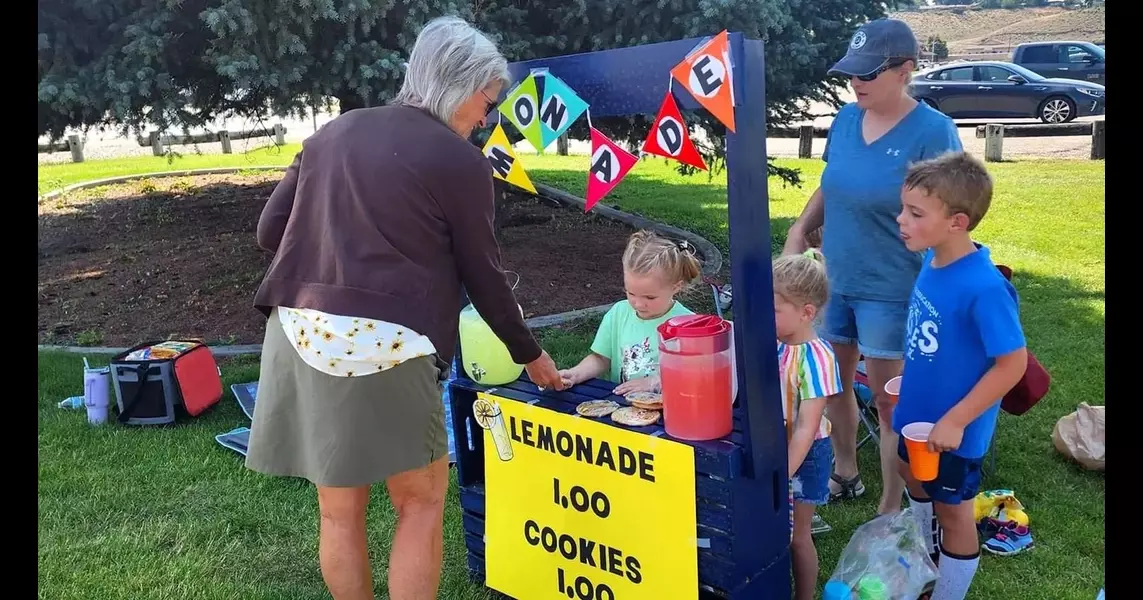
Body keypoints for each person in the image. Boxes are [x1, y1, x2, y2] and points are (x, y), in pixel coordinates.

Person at [244, 16, 565, 600]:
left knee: (339, 511)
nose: (487, 118)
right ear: (460, 83)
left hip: (298, 332)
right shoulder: (461, 162)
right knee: (419, 503)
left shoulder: (332, 133)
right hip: (388, 343)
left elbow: (271, 232)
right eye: (487, 101)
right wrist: (533, 356)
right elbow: (484, 277)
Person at [782, 17, 963, 515]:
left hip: (892, 285)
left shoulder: (934, 131)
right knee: (829, 383)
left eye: (868, 73)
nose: (856, 82)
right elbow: (831, 181)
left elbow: (949, 215)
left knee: (887, 401)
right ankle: (845, 470)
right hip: (832, 280)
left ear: (906, 70)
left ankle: (890, 502)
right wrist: (799, 231)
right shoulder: (844, 120)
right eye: (852, 73)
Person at [894, 151, 1027, 600]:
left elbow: (1013, 364)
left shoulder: (986, 287)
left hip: (956, 430)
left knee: (954, 515)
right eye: (903, 209)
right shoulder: (932, 262)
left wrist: (956, 420)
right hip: (916, 417)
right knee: (915, 482)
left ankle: (947, 593)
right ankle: (923, 565)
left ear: (957, 222)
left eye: (915, 213)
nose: (901, 220)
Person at [772, 250, 843, 600]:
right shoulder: (777, 342)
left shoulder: (816, 358)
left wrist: (781, 471)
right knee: (774, 530)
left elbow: (806, 425)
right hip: (776, 445)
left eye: (773, 311)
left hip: (806, 453)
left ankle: (804, 597)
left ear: (807, 313)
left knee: (798, 535)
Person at [559, 230, 699, 393]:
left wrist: (655, 383)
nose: (638, 304)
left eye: (650, 297)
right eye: (631, 293)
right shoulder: (619, 312)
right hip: (623, 409)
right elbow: (601, 359)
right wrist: (575, 374)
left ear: (676, 287)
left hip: (669, 411)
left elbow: (695, 376)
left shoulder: (690, 325)